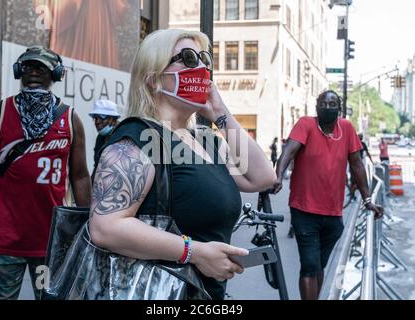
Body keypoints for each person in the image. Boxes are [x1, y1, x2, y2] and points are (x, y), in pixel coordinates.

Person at [88, 29, 277, 300]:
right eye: (187, 58)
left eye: (203, 58)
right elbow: (105, 227)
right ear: (153, 79)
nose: (200, 67)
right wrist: (195, 253)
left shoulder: (207, 141)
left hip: (205, 295)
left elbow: (262, 177)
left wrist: (221, 114)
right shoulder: (137, 139)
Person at [0, 46, 91, 300]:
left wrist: (91, 233)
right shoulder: (0, 113)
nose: (34, 72)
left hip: (52, 244)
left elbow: (80, 177)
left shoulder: (70, 119)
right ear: (19, 72)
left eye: (42, 67)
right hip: (4, 241)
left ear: (56, 74)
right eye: (28, 67)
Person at [273, 90, 383, 300]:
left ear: (339, 107)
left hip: (333, 214)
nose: (328, 107)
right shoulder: (306, 124)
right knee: (309, 265)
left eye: (333, 104)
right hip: (304, 210)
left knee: (319, 266)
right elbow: (289, 150)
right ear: (316, 106)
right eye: (323, 103)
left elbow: (357, 165)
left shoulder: (347, 129)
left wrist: (368, 199)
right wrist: (278, 175)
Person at [88, 99, 122, 180]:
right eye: (95, 118)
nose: (97, 121)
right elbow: (97, 166)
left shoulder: (123, 135)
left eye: (102, 117)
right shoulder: (100, 137)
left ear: (113, 119)